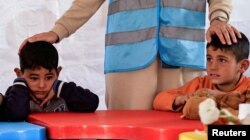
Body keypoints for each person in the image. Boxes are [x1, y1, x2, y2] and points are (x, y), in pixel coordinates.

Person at [20, 0, 241, 110]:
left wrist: (219, 19)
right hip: (127, 57)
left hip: (184, 53)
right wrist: (57, 32)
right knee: (126, 131)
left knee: (186, 129)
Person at [153, 32, 250, 118]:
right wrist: (182, 99)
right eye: (209, 59)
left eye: (222, 60)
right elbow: (158, 100)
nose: (213, 67)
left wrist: (219, 96)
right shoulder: (200, 84)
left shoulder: (248, 88)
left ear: (242, 66)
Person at [2, 41, 99, 121]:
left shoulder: (65, 94)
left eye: (48, 77)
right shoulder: (16, 93)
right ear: (19, 74)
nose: (41, 85)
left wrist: (61, 88)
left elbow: (92, 103)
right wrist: (20, 84)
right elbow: (16, 115)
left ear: (57, 73)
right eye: (34, 78)